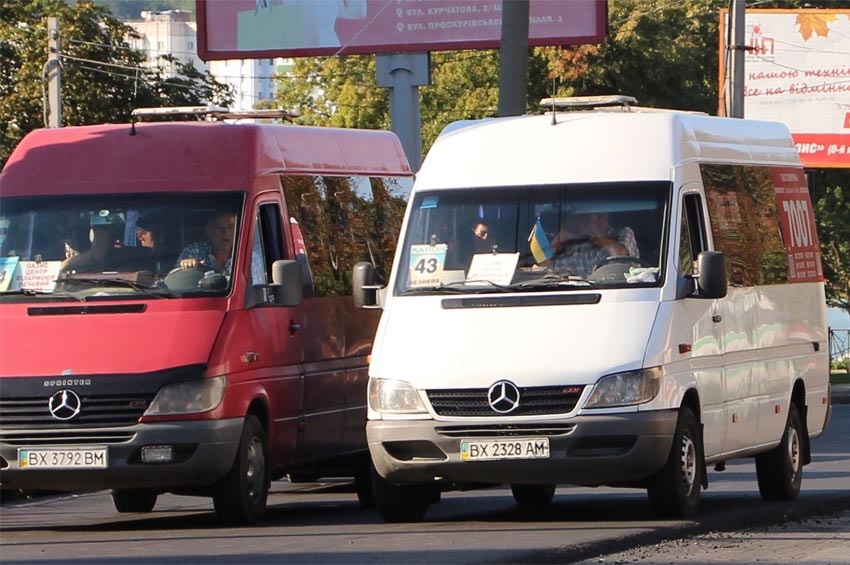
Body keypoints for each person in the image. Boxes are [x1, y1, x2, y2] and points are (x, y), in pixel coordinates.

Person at [549, 212, 636, 278]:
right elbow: (551, 271)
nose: (584, 223)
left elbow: (620, 255)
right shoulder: (576, 247)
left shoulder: (624, 233)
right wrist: (563, 234)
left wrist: (595, 231)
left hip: (622, 291)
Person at [177, 210, 238, 275]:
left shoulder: (246, 255)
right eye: (220, 227)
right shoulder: (193, 251)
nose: (226, 232)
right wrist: (187, 265)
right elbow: (177, 279)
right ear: (209, 231)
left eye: (230, 227)